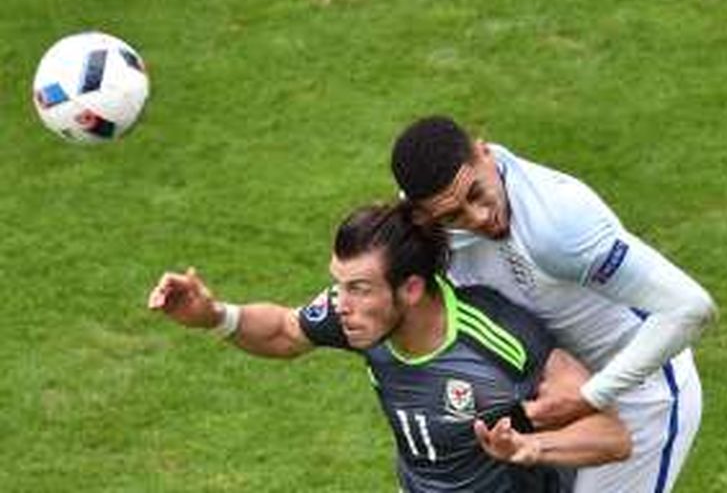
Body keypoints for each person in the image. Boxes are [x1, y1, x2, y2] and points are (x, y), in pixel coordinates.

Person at [148, 203, 631, 493]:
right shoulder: (359, 317)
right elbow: (283, 330)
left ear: (411, 290)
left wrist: (532, 446)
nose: (340, 303)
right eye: (337, 284)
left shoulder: (498, 339)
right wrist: (215, 316)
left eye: (357, 287)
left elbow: (612, 436)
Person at [390, 116, 718, 493]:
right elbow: (378, 275)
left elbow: (690, 307)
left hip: (643, 398)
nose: (479, 217)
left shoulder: (557, 225)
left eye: (477, 194)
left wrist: (589, 396)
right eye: (453, 216)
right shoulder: (427, 220)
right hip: (549, 395)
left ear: (485, 152)